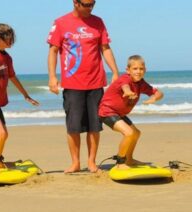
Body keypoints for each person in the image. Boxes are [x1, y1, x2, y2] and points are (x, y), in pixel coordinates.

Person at [47, 0, 120, 173]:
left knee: (95, 125)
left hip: (95, 82)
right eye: (86, 4)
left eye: (92, 4)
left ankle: (92, 162)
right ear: (75, 2)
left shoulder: (98, 22)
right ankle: (75, 163)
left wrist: (115, 72)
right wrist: (52, 77)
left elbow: (105, 48)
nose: (90, 8)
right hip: (72, 83)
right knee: (73, 126)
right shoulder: (60, 23)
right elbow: (53, 51)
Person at [0, 23, 39, 173]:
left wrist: (26, 95)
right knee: (1, 133)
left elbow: (13, 77)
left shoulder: (7, 58)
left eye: (12, 38)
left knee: (5, 134)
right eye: (7, 38)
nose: (11, 41)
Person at [98, 55, 163, 169]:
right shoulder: (125, 79)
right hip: (107, 111)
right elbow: (125, 86)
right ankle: (120, 162)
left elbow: (158, 92)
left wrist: (154, 98)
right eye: (135, 69)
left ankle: (129, 159)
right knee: (129, 133)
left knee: (136, 133)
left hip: (120, 114)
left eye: (141, 69)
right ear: (128, 70)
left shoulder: (141, 83)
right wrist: (127, 92)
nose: (138, 71)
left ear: (145, 70)